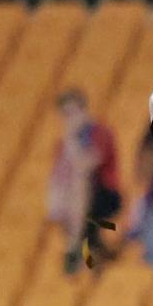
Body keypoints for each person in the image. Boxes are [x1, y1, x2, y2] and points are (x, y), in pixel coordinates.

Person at [46, 91, 120, 274]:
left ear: (83, 110)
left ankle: (74, 247)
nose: (70, 119)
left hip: (104, 194)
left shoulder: (99, 133)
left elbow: (87, 165)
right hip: (76, 201)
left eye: (73, 112)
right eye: (66, 114)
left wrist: (71, 141)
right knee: (67, 193)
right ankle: (83, 254)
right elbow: (58, 177)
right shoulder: (63, 145)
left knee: (80, 180)